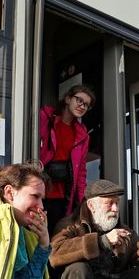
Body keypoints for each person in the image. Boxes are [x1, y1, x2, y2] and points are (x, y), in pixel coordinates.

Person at [40, 84, 96, 234]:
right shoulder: (45, 117)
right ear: (67, 99)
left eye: (86, 105)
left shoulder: (82, 135)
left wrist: (82, 201)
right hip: (39, 189)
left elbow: (81, 172)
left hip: (62, 197)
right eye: (79, 100)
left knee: (55, 237)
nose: (82, 106)